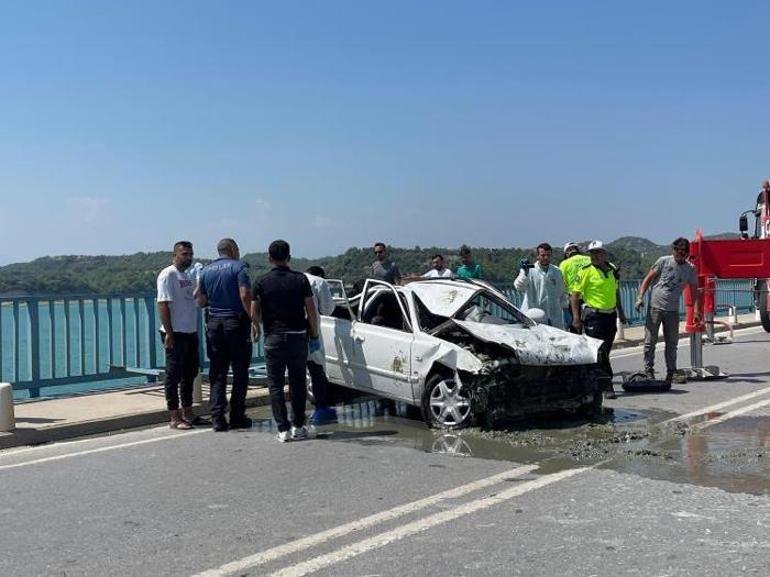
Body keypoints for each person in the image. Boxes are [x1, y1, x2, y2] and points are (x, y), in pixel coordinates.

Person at [251, 240, 320, 442]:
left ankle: (282, 429)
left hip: (273, 338)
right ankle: (298, 426)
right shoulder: (300, 279)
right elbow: (311, 310)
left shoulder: (261, 281)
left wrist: (256, 328)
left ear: (269, 258)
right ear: (289, 257)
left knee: (275, 385)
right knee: (297, 383)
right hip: (298, 337)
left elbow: (254, 312)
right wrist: (314, 333)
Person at [196, 238, 253, 432]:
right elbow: (245, 295)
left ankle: (217, 418)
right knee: (240, 371)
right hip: (236, 324)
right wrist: (253, 319)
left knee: (217, 372)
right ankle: (237, 416)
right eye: (237, 248)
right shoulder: (239, 268)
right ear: (231, 249)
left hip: (214, 324)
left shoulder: (206, 270)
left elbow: (201, 301)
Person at [635, 237, 701, 383]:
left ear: (687, 253)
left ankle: (671, 371)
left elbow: (695, 291)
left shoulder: (690, 269)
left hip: (672, 310)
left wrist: (697, 312)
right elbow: (648, 279)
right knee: (650, 341)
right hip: (655, 307)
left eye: (684, 253)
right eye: (678, 252)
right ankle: (648, 370)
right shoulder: (663, 261)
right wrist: (640, 297)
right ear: (674, 250)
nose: (681, 255)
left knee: (672, 343)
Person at [570, 240, 627, 399]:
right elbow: (574, 295)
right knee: (599, 351)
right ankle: (607, 384)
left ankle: (593, 380)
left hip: (610, 315)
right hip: (593, 315)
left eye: (597, 252)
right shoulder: (585, 271)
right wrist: (576, 318)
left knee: (605, 350)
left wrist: (621, 312)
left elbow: (616, 292)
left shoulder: (612, 269)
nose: (594, 256)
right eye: (592, 253)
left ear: (604, 253)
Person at [156, 241, 199, 430]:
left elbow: (194, 298)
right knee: (173, 376)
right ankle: (174, 416)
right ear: (175, 255)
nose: (188, 257)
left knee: (190, 374)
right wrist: (169, 333)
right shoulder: (168, 274)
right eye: (184, 254)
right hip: (175, 333)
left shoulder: (188, 276)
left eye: (190, 254)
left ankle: (188, 413)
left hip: (190, 331)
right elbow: (163, 304)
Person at [305, 265, 338, 425]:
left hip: (287, 334)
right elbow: (328, 309)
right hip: (312, 333)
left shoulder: (294, 279)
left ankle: (295, 415)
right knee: (317, 370)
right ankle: (321, 409)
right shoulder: (319, 282)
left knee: (295, 373)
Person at [513, 243, 567, 329]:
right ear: (537, 256)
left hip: (554, 316)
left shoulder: (557, 271)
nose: (546, 258)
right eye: (543, 255)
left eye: (548, 255)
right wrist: (525, 274)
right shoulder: (529, 270)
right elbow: (518, 286)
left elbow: (562, 292)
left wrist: (566, 310)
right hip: (533, 316)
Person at [559, 242, 591, 330]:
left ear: (566, 253)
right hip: (591, 297)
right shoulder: (589, 259)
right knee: (592, 324)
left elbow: (562, 282)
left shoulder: (564, 263)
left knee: (575, 324)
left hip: (574, 298)